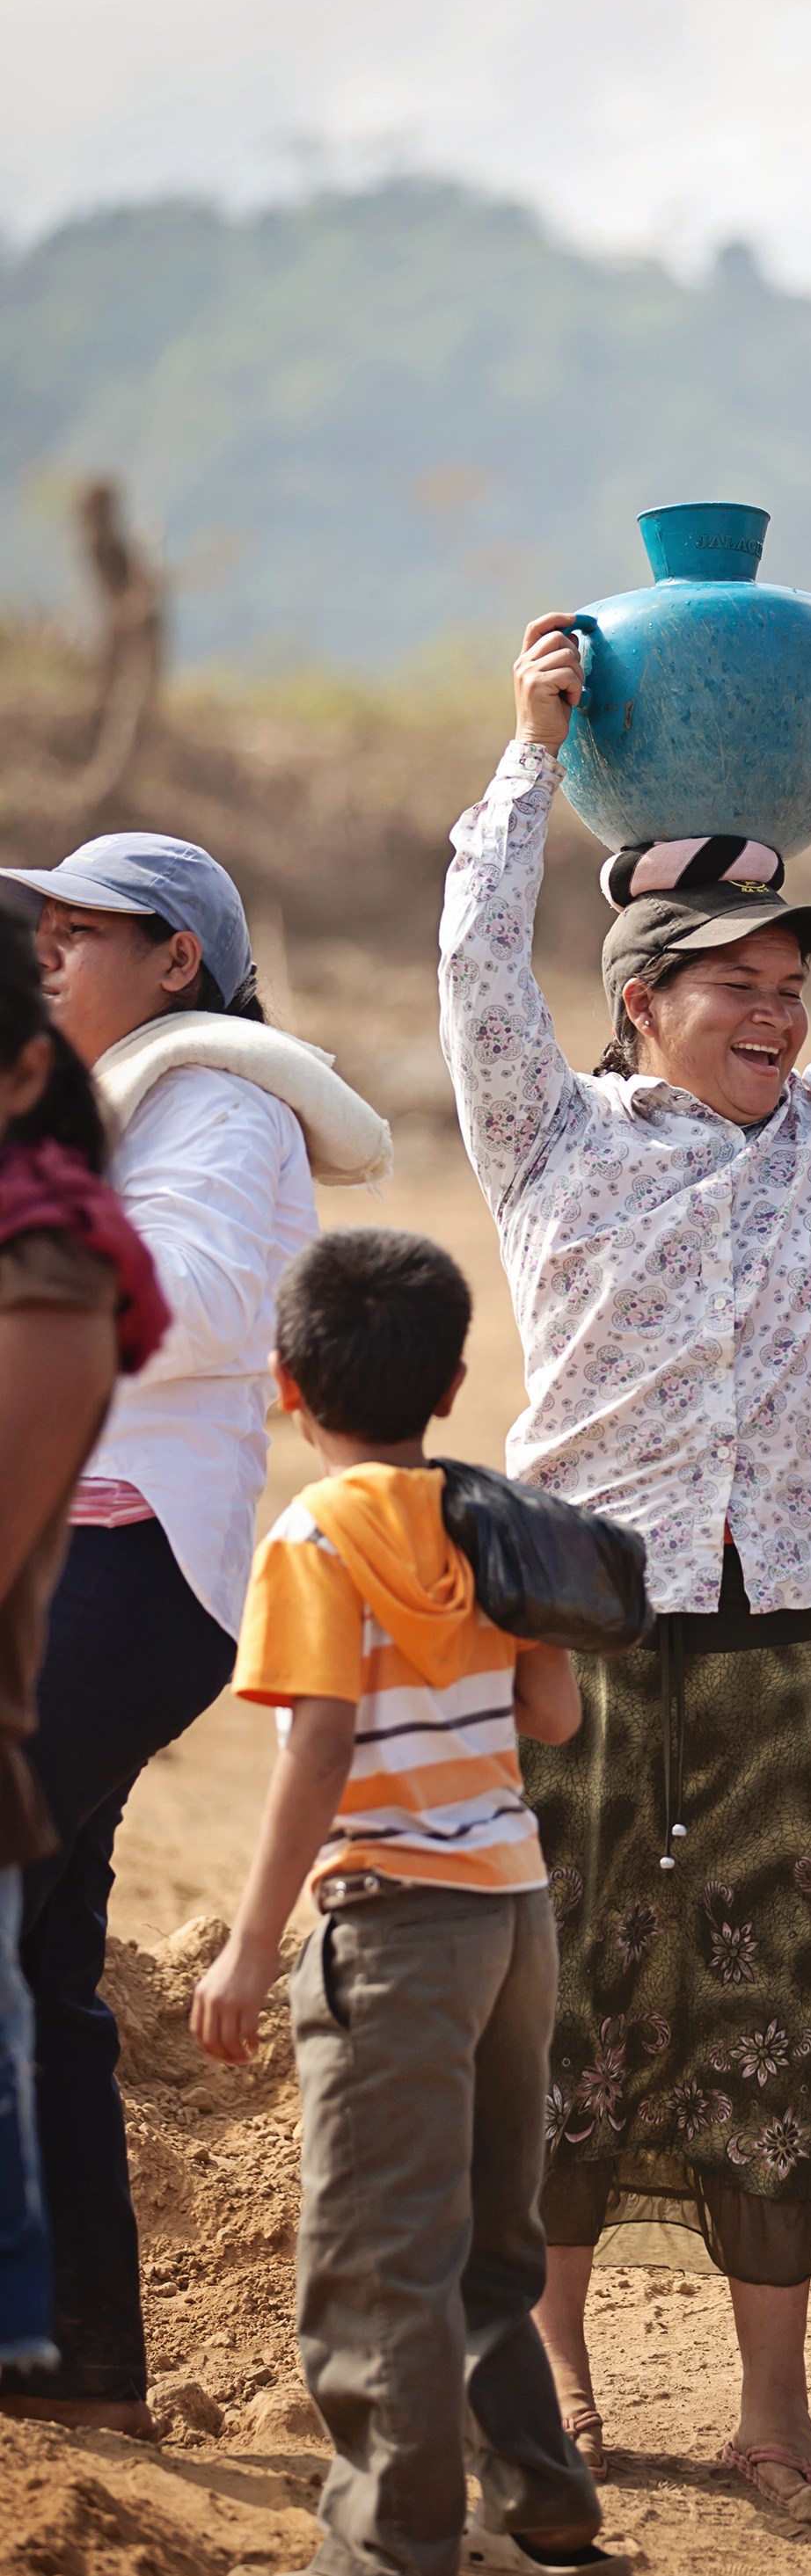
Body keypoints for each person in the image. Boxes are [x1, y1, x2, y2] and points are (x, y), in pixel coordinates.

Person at [439, 617, 811, 2524]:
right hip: (581, 1645)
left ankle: (772, 2414)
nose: (773, 1008)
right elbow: (473, 970)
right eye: (726, 981)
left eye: (781, 979)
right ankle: (559, 2375)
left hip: (779, 1648)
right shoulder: (549, 1146)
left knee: (782, 2014)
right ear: (639, 1001)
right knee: (567, 2003)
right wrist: (528, 754)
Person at [192, 1226, 625, 2576]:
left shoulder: (313, 1537)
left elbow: (316, 1746)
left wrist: (253, 1943)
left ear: (284, 1384)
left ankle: (391, 2569)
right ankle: (539, 2507)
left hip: (392, 1924)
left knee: (381, 2254)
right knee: (491, 2241)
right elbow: (555, 1717)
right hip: (514, 1914)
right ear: (448, 1388)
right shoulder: (486, 1515)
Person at [0, 830, 385, 2436]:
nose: (50, 954)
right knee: (44, 1949)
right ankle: (82, 2364)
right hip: (71, 1562)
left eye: (85, 932)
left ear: (175, 960)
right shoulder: (107, 1103)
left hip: (130, 1562)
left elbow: (214, 1306)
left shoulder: (217, 1098)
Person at [0, 904, 167, 2383]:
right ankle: (80, 2353)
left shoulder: (48, 1271)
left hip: (116, 1605)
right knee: (48, 1973)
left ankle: (63, 2345)